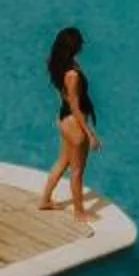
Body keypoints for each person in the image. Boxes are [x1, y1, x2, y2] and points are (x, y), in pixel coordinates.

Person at [40, 24, 102, 225]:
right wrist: (90, 133)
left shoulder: (57, 64)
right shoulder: (72, 75)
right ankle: (79, 213)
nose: (82, 45)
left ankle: (45, 200)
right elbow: (75, 105)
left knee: (62, 162)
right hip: (74, 122)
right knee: (77, 171)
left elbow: (64, 97)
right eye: (79, 43)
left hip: (63, 118)